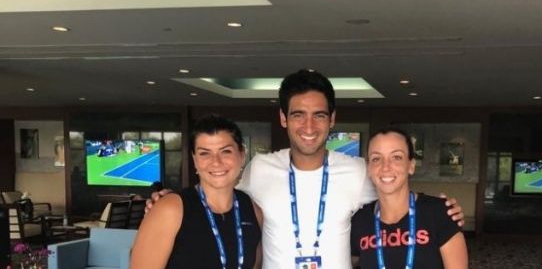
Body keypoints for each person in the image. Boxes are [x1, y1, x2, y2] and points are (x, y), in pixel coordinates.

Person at [149, 69, 464, 269]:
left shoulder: (357, 171)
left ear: (332, 119)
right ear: (283, 118)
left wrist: (441, 210)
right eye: (298, 115)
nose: (309, 126)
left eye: (319, 115)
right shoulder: (259, 169)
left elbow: (393, 187)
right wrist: (168, 203)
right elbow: (218, 194)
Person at [131, 115, 262, 269]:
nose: (216, 162)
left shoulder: (252, 210)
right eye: (204, 153)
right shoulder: (171, 209)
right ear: (194, 160)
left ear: (242, 155)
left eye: (226, 151)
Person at [351, 128, 468, 269]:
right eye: (376, 158)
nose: (385, 167)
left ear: (411, 166)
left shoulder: (440, 213)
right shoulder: (359, 220)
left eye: (396, 157)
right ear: (369, 168)